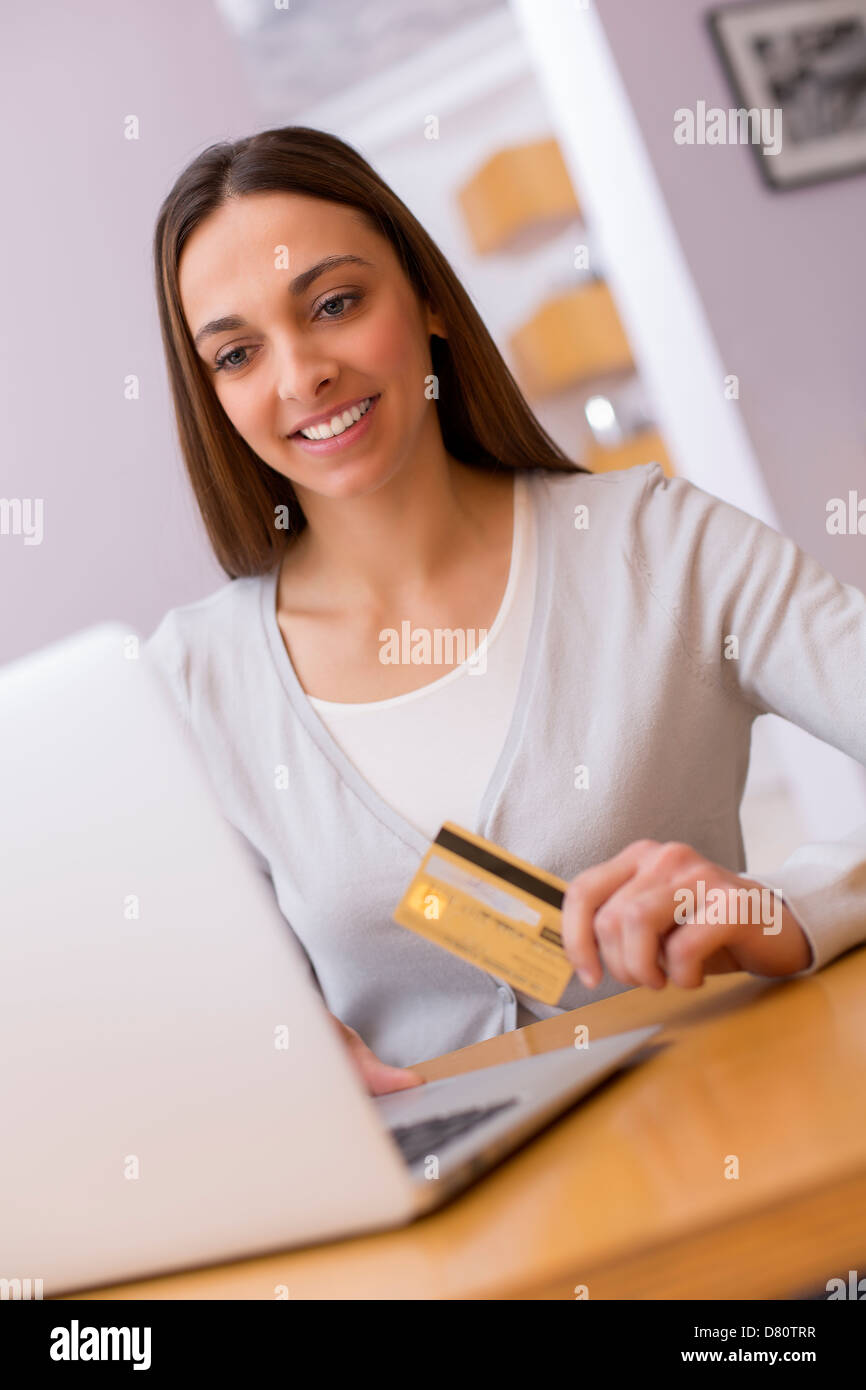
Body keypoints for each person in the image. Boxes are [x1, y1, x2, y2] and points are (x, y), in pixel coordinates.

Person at [145, 126, 866, 1094]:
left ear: (429, 299)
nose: (298, 374)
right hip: (452, 1242)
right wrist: (264, 1065)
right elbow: (165, 1013)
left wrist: (790, 909)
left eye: (335, 303)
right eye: (235, 353)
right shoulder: (192, 683)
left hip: (733, 1187)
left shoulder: (661, 545)